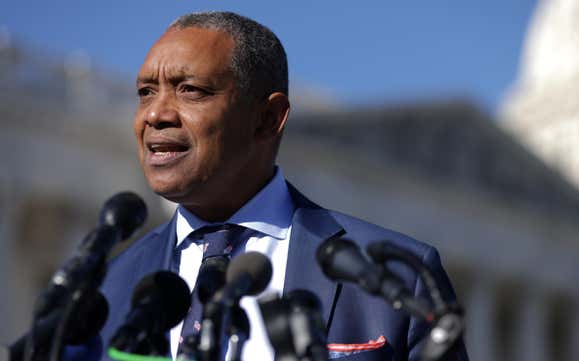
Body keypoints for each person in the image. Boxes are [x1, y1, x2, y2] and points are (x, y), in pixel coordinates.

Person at [95, 11, 468, 361]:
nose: (155, 114)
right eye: (145, 92)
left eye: (190, 90)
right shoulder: (105, 289)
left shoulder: (397, 278)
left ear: (268, 119)